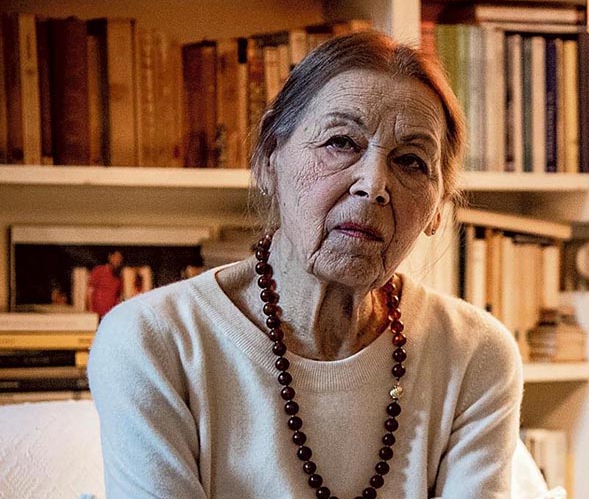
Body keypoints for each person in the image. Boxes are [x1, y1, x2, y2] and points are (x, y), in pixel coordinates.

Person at [88, 31, 523, 499]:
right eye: (341, 142)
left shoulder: (475, 355)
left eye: (412, 162)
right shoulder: (154, 341)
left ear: (438, 209)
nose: (373, 185)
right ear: (269, 159)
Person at [87, 249, 123, 318]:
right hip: (97, 313)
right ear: (110, 257)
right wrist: (90, 309)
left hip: (111, 314)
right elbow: (89, 291)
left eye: (120, 258)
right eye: (116, 257)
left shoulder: (119, 276)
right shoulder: (99, 270)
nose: (118, 260)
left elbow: (118, 296)